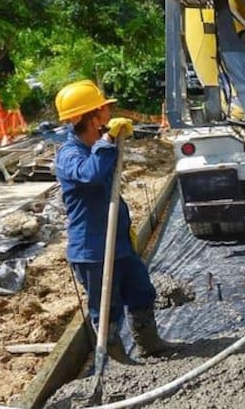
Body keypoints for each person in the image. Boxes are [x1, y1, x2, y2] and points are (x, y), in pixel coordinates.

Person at [54, 79, 174, 360]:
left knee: (141, 290)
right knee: (107, 306)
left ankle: (149, 342)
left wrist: (111, 141)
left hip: (117, 242)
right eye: (102, 110)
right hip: (92, 250)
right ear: (90, 118)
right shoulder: (69, 155)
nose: (108, 114)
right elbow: (90, 174)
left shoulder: (97, 145)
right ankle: (116, 360)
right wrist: (107, 142)